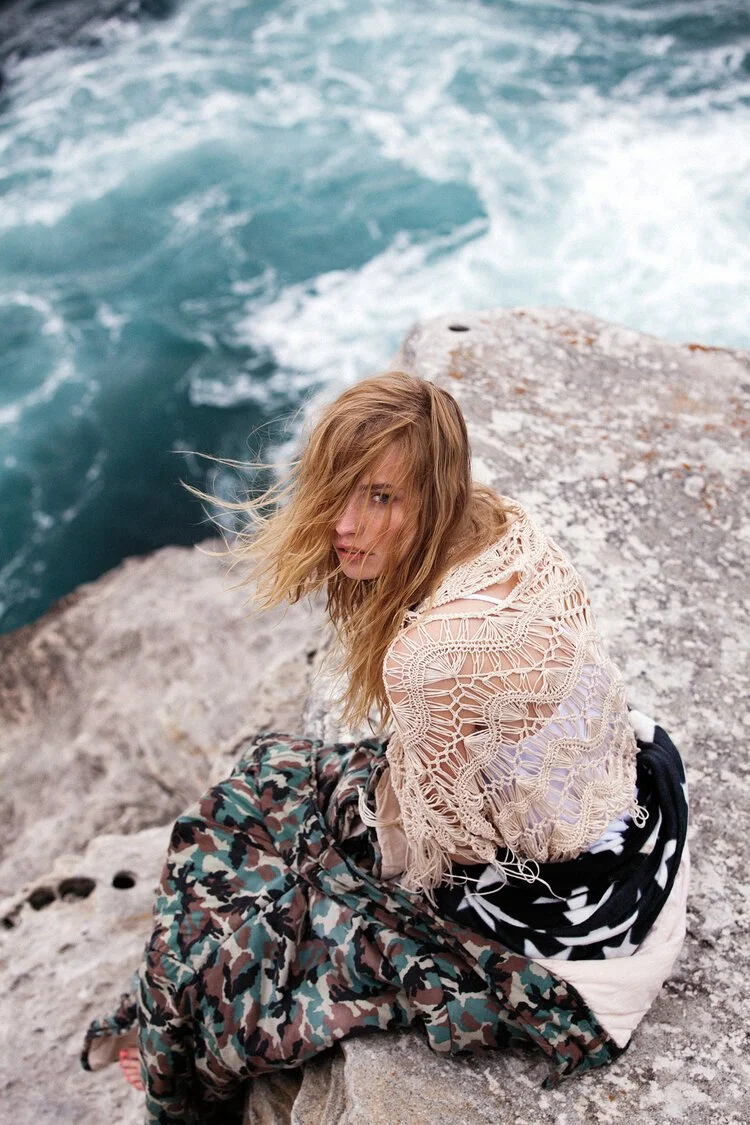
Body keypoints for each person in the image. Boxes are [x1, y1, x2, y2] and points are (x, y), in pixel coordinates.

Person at [84, 371, 689, 1122]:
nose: (342, 523)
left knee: (253, 953)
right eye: (337, 488)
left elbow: (434, 860)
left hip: (563, 916)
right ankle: (161, 1009)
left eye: (379, 497)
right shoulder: (496, 519)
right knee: (266, 784)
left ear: (428, 498)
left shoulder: (429, 656)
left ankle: (169, 1051)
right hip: (633, 819)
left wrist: (327, 866)